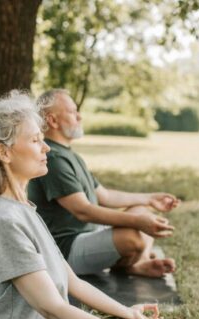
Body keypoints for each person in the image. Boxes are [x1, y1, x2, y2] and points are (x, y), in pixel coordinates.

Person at [0, 91, 163, 319]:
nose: (46, 148)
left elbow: (73, 282)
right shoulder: (5, 222)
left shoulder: (24, 210)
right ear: (4, 153)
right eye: (35, 140)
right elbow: (51, 307)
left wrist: (129, 314)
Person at [28, 89, 179, 277]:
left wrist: (149, 199)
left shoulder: (69, 155)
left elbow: (105, 196)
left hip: (88, 235)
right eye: (73, 112)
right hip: (65, 250)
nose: (79, 116)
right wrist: (138, 222)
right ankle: (135, 263)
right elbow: (83, 211)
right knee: (133, 237)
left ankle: (138, 263)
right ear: (52, 120)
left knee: (142, 210)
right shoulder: (54, 159)